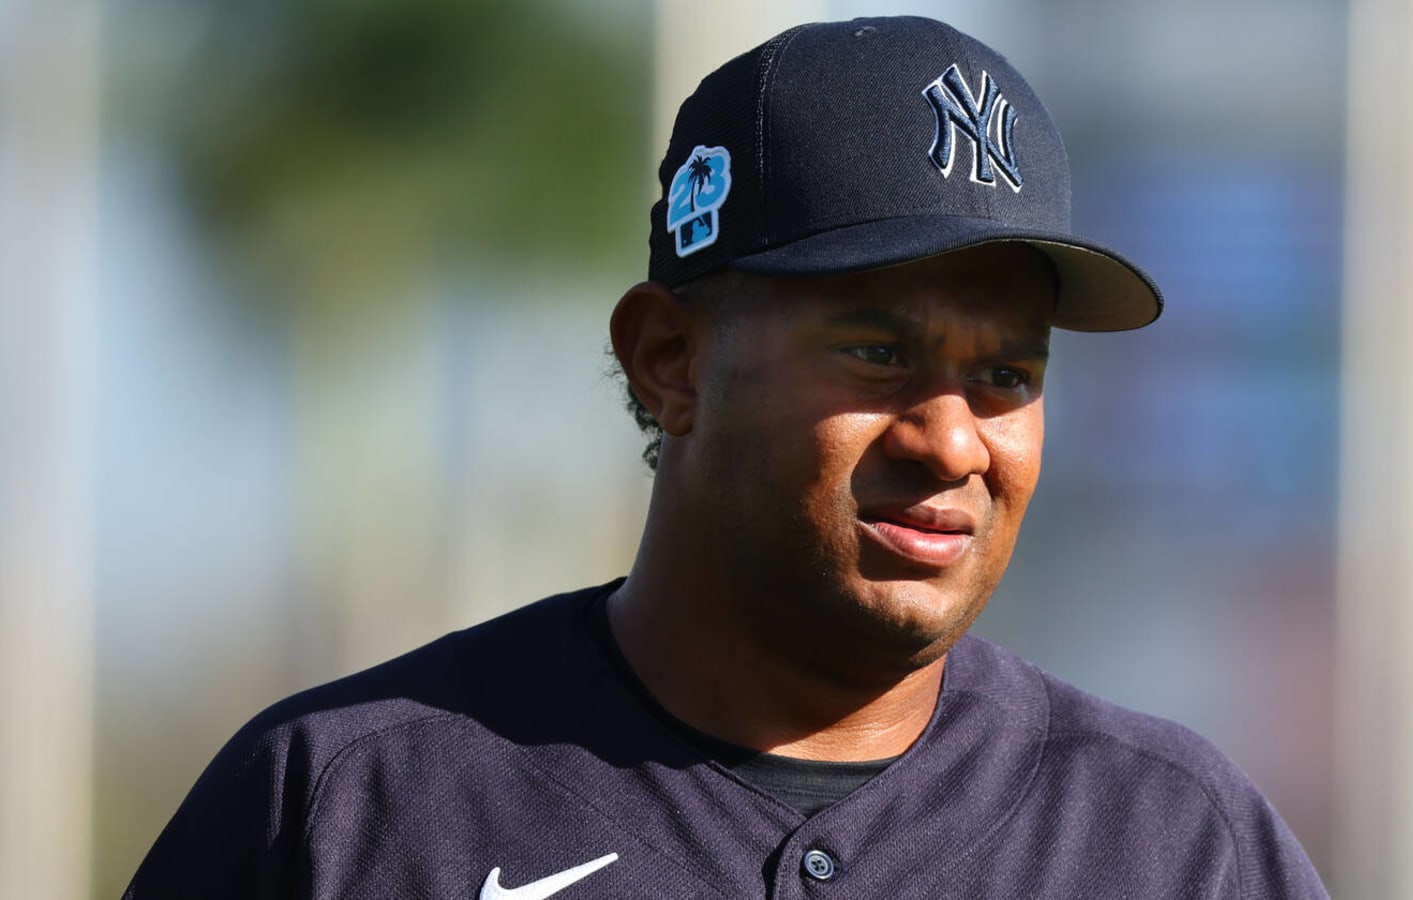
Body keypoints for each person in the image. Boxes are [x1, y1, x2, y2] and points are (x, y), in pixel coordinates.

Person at [127, 16, 1328, 899]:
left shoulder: (1175, 844)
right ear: (669, 361)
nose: (954, 438)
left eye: (1006, 374)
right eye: (875, 351)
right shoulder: (351, 807)